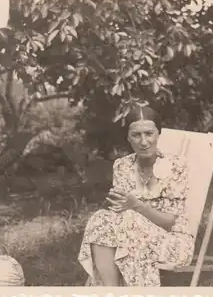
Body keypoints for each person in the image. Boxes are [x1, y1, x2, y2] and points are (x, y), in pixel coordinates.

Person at [77, 105, 194, 287]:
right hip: (129, 234)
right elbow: (118, 213)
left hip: (172, 242)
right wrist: (117, 206)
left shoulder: (176, 166)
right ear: (128, 138)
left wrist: (136, 205)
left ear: (158, 134)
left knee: (128, 220)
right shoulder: (122, 166)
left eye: (149, 134)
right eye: (136, 135)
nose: (144, 141)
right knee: (100, 218)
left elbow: (169, 222)